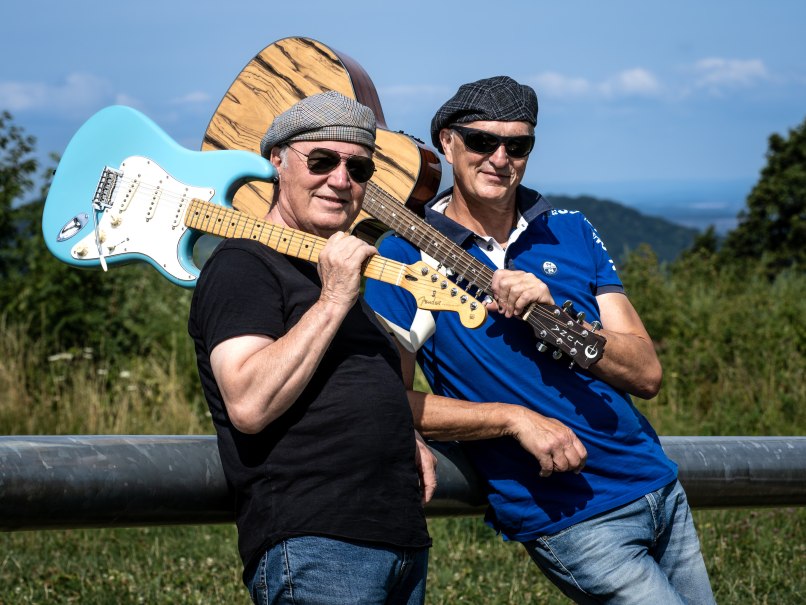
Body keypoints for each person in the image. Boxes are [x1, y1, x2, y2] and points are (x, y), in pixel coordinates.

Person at [364, 77, 715, 604]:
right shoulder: (404, 254)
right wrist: (514, 419)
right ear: (447, 142)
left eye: (517, 145)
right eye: (482, 141)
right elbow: (387, 401)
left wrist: (558, 318)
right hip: (572, 516)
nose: (499, 158)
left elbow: (646, 372)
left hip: (657, 484)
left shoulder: (569, 229)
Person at [188, 91, 433, 605]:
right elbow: (249, 402)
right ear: (278, 161)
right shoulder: (244, 264)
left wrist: (398, 433)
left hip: (396, 540)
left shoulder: (330, 276)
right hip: (316, 542)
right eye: (321, 161)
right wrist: (335, 298)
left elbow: (348, 385)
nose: (340, 181)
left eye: (358, 169)